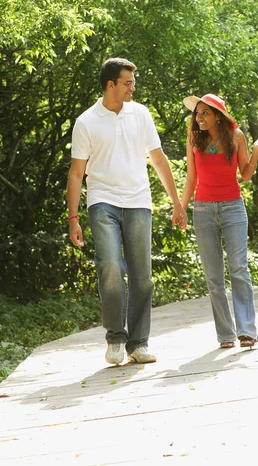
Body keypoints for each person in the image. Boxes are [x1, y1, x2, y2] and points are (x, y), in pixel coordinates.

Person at [67, 57, 187, 366]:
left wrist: (177, 202)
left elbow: (158, 159)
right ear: (111, 85)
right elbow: (76, 174)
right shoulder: (87, 122)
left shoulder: (141, 114)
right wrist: (73, 218)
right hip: (102, 201)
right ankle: (115, 338)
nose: (133, 88)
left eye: (133, 82)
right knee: (109, 266)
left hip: (138, 202)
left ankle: (139, 343)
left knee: (142, 276)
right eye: (128, 83)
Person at [181, 94, 258, 349]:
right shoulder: (194, 139)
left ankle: (246, 330)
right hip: (203, 210)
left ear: (217, 116)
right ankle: (225, 334)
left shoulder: (236, 137)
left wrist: (255, 148)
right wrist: (180, 208)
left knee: (238, 268)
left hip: (233, 207)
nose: (199, 118)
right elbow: (191, 179)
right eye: (197, 113)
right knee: (213, 275)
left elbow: (246, 175)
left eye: (204, 113)